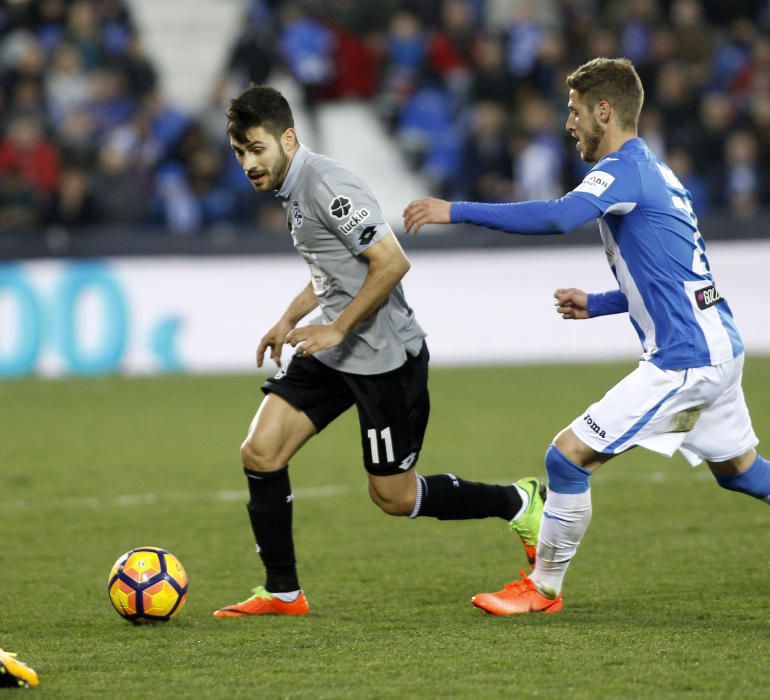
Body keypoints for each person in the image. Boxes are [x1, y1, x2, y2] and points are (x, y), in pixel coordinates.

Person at [403, 57, 770, 615]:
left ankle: (542, 587)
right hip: (717, 342)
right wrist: (603, 302)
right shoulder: (655, 171)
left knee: (566, 458)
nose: (568, 123)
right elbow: (674, 274)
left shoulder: (622, 171)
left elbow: (557, 218)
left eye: (574, 111)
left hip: (687, 357)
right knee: (743, 471)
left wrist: (455, 209)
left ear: (604, 110)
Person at [213, 86, 545, 617]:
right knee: (260, 452)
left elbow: (391, 263)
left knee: (393, 496)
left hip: (385, 359)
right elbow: (333, 269)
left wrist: (338, 328)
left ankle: (518, 502)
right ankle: (282, 593)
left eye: (256, 149)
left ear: (288, 138)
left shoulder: (327, 185)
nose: (248, 163)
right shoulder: (293, 189)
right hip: (336, 348)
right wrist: (290, 319)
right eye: (239, 153)